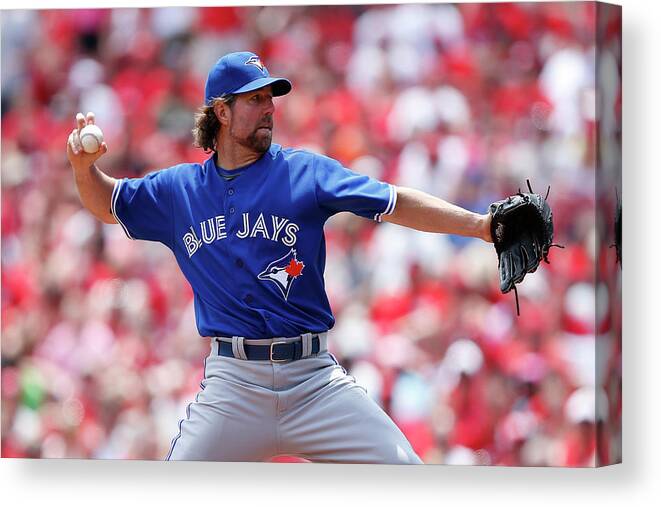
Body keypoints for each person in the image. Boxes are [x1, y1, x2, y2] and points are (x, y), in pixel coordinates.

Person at [66, 51, 492, 464]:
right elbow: (107, 202)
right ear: (222, 111)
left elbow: (395, 202)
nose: (269, 107)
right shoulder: (180, 190)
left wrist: (480, 226)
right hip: (233, 387)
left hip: (313, 381)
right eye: (255, 98)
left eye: (270, 97)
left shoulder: (304, 172)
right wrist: (84, 169)